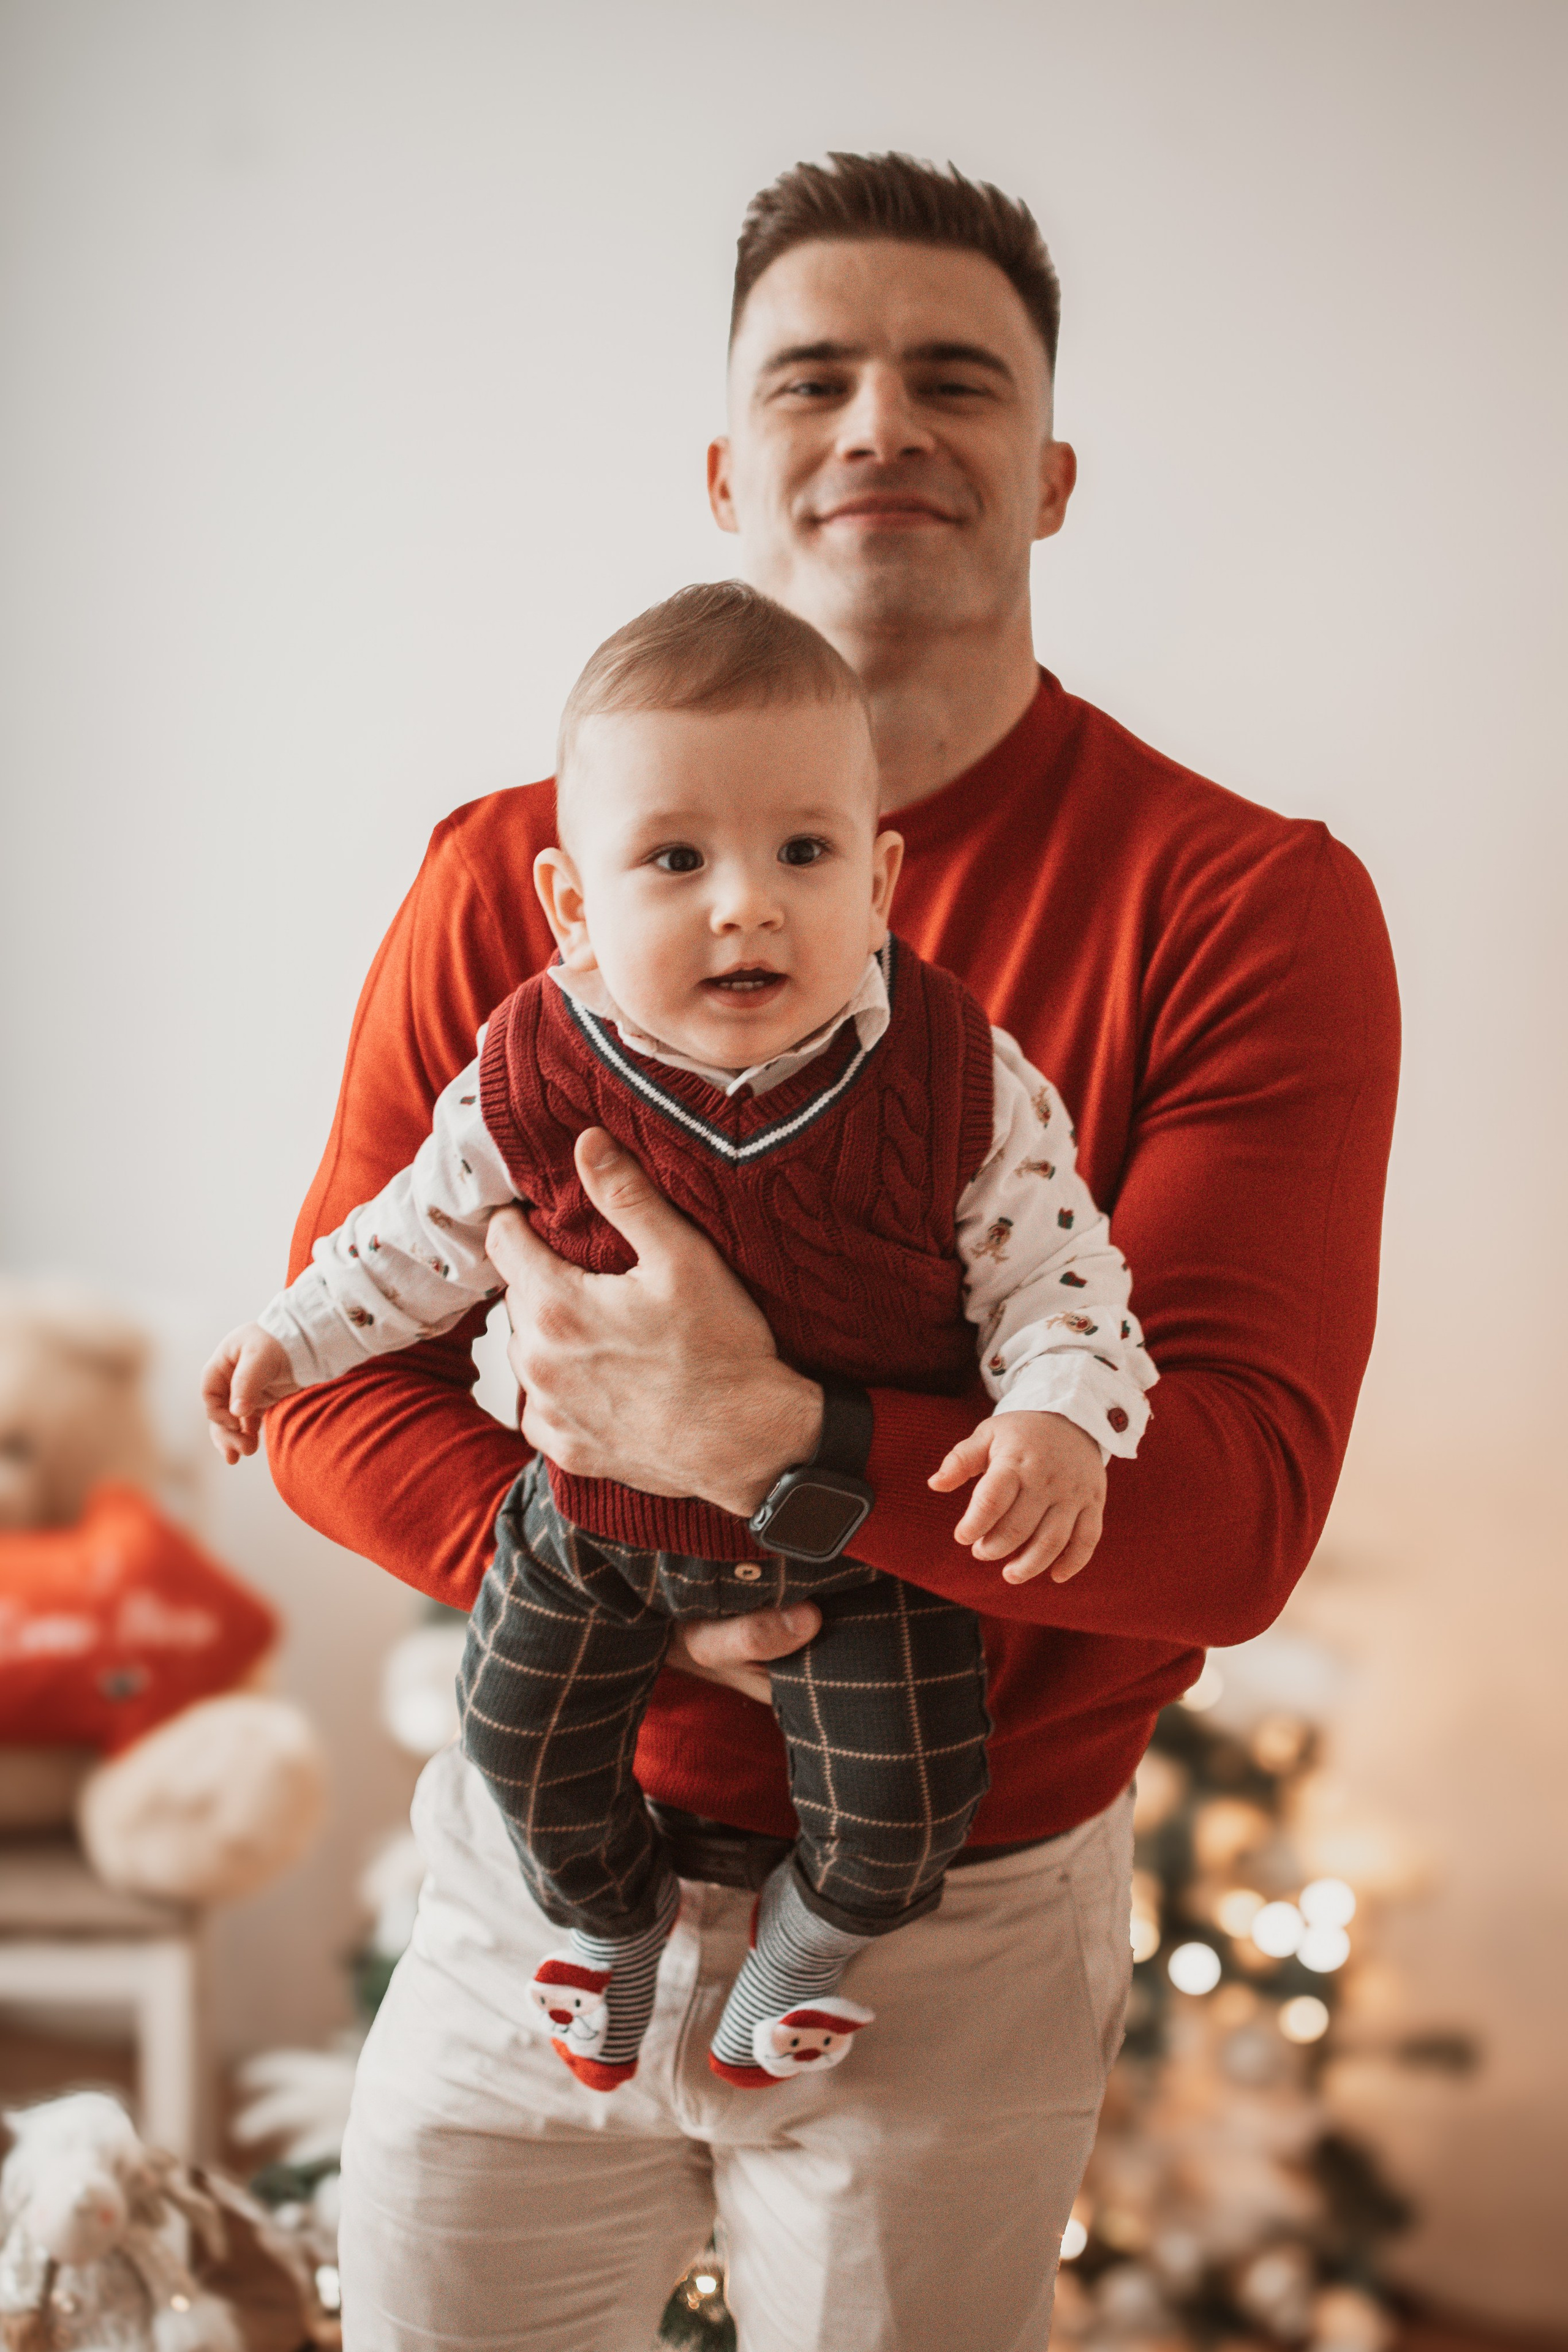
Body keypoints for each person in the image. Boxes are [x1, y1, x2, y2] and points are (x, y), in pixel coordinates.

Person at [265, 154, 1400, 2352]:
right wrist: (610, 1573)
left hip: (953, 1920)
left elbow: (1230, 1511)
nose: (882, 424)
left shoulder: (1244, 905)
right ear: (727, 467)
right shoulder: (513, 881)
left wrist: (771, 1439)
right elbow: (329, 1379)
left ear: (1050, 475)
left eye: (953, 379)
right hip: (540, 1863)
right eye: (816, 379)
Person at [202, 580, 1156, 2094]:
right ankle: (615, 1927)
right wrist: (292, 1336)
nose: (745, 902)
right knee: (515, 1740)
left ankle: (807, 1954)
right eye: (674, 859)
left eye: (802, 852)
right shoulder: (530, 1065)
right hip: (590, 1528)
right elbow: (408, 1238)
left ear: (881, 878)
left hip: (856, 1546)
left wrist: (1053, 1410)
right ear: (574, 907)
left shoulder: (958, 1079)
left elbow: (1060, 1280)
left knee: (910, 1802)